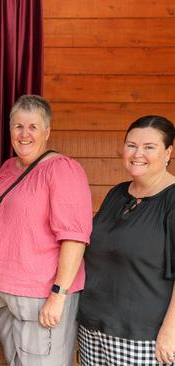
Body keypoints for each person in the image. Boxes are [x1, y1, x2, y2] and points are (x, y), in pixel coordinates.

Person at [0, 95, 92, 365]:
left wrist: (58, 294)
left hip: (40, 293)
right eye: (18, 126)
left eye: (33, 127)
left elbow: (74, 237)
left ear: (47, 131)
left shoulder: (63, 169)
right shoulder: (8, 167)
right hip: (0, 289)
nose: (24, 134)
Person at [78, 115, 175, 366]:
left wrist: (170, 332)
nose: (137, 153)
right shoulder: (117, 193)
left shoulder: (172, 200)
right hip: (93, 328)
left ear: (168, 152)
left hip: (143, 336)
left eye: (149, 147)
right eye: (131, 145)